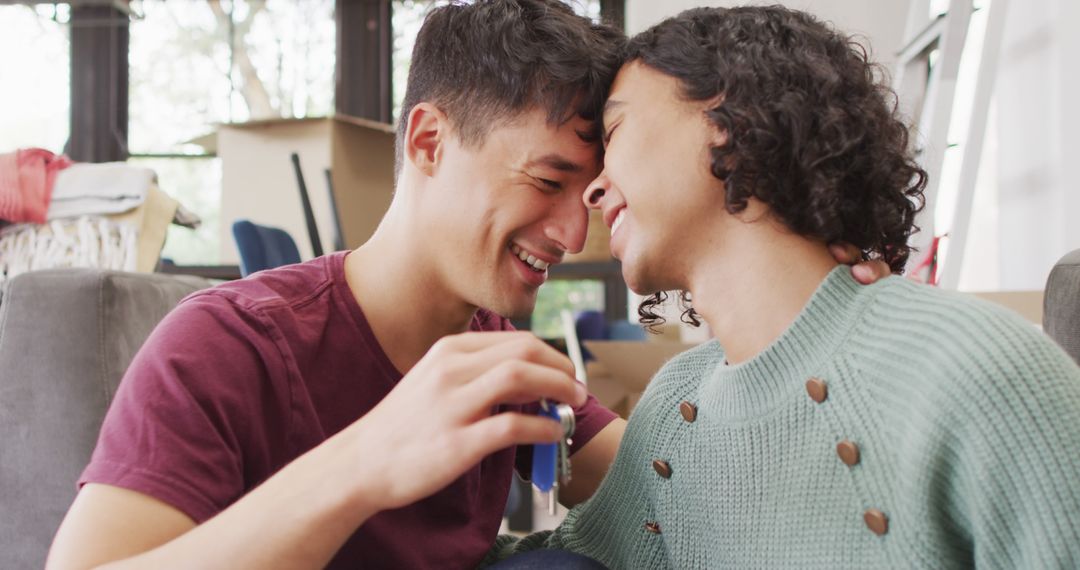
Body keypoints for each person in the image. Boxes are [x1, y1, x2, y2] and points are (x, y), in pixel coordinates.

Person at [47, 2, 888, 568]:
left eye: (587, 191)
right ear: (426, 141)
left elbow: (684, 488)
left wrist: (815, 306)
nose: (570, 233)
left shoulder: (498, 358)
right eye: (545, 179)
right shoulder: (226, 345)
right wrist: (366, 462)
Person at [487, 6, 1080, 569]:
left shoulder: (979, 369)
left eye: (614, 130)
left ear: (729, 121)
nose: (593, 191)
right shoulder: (675, 409)